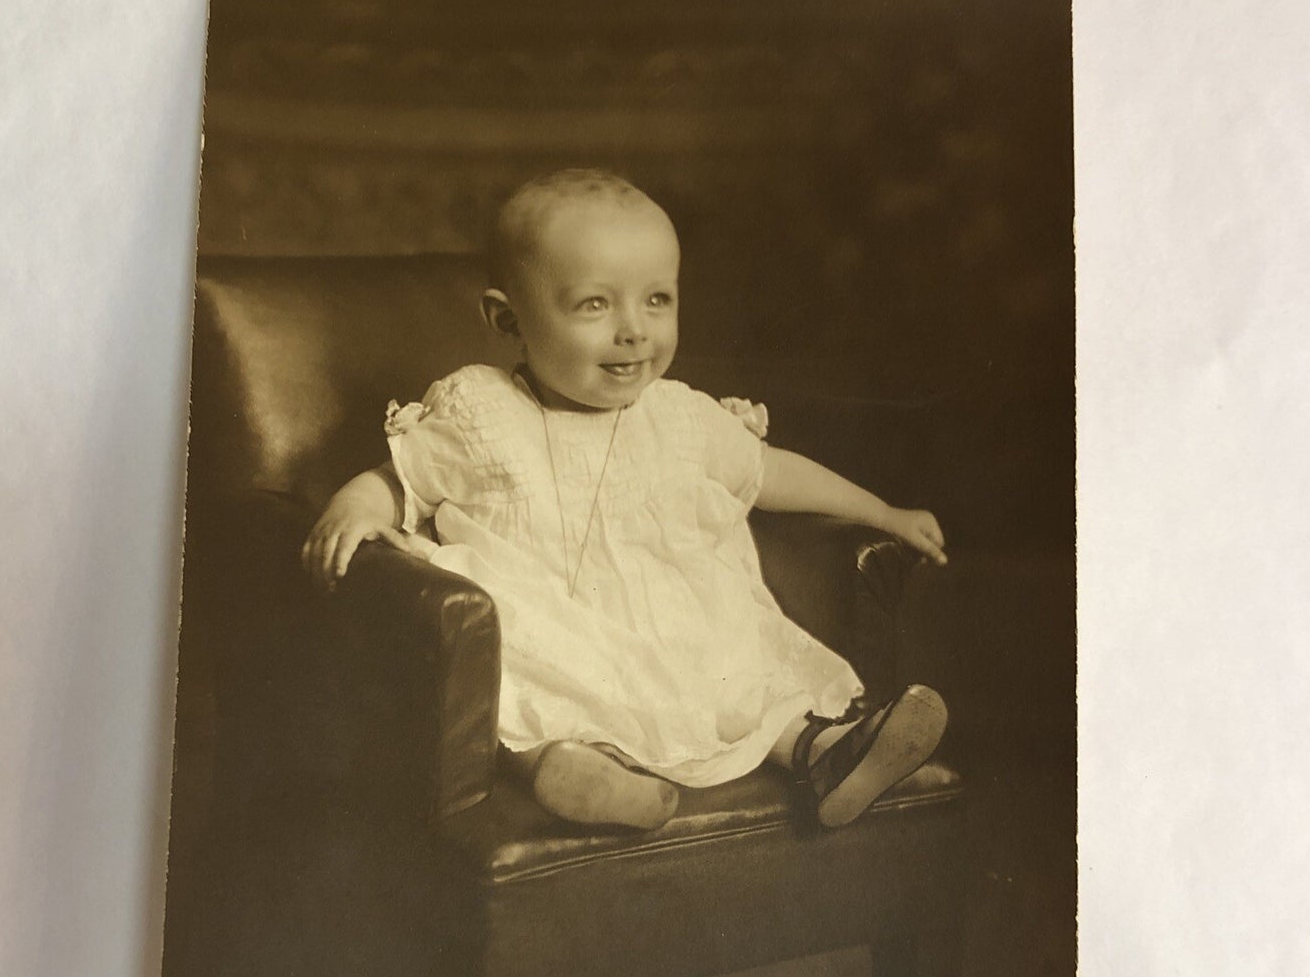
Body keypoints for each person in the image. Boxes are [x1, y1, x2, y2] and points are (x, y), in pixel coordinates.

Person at [302, 169, 949, 832]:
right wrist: (358, 506)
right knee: (520, 677)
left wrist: (883, 513)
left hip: (668, 625)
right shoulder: (481, 411)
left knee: (736, 672)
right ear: (507, 317)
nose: (634, 330)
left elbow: (770, 472)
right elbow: (399, 479)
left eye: (657, 300)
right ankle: (574, 772)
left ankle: (823, 750)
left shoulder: (679, 416)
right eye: (594, 305)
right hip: (548, 623)